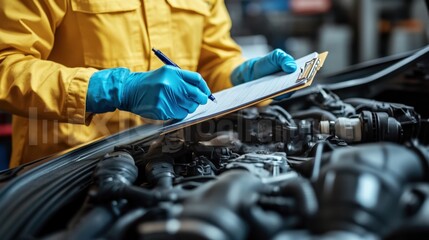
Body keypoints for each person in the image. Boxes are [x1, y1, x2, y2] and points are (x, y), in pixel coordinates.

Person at [0, 0, 297, 168]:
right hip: (64, 171)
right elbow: (6, 63)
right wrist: (115, 88)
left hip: (174, 161)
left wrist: (241, 78)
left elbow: (212, 64)